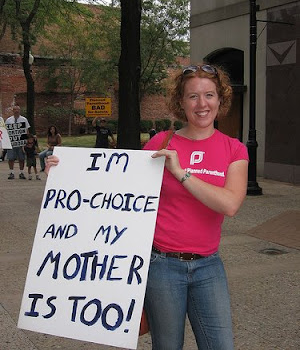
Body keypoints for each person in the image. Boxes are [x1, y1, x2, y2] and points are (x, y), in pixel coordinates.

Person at [45, 63, 248, 349]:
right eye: (193, 96)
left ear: (221, 99)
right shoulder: (159, 143)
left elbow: (230, 204)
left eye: (209, 95)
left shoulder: (234, 149)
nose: (202, 104)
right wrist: (63, 173)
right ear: (181, 102)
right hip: (161, 266)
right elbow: (114, 191)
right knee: (166, 346)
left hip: (209, 266)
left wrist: (181, 173)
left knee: (221, 345)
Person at [5, 105, 30, 179]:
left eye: (18, 110)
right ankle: (11, 172)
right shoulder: (9, 120)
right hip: (12, 142)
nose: (16, 111)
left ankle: (21, 172)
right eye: (15, 109)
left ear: (20, 111)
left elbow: (27, 130)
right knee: (11, 158)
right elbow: (6, 130)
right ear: (13, 111)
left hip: (21, 142)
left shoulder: (24, 119)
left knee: (21, 158)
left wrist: (27, 140)